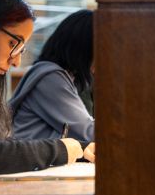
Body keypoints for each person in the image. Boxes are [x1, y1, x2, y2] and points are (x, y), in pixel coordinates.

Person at [0, 0, 93, 177]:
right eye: (14, 43)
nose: (17, 61)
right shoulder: (51, 77)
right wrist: (61, 149)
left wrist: (78, 148)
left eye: (21, 48)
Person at [11, 10, 95, 142]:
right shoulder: (50, 78)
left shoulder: (65, 76)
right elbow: (88, 132)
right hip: (28, 160)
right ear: (84, 49)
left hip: (37, 158)